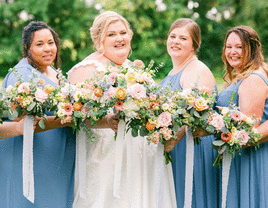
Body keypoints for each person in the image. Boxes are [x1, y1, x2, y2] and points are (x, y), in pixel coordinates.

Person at [68, 11, 177, 208]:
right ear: (98, 39)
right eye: (111, 34)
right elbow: (74, 116)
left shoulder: (137, 71)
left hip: (143, 158)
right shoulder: (84, 70)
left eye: (123, 32)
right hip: (105, 158)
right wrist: (105, 121)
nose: (119, 38)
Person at [0, 21, 76, 207]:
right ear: (27, 48)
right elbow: (23, 121)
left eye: (51, 42)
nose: (48, 49)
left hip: (58, 162)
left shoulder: (55, 73)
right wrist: (66, 121)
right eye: (39, 44)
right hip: (34, 160)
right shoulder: (22, 76)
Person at [161, 18, 219, 208]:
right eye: (173, 36)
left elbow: (197, 114)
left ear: (194, 45)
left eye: (183, 38)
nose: (176, 41)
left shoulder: (196, 70)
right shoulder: (172, 72)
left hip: (190, 147)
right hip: (174, 147)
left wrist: (172, 140)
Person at [216, 25, 268, 207]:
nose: (232, 52)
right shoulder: (244, 75)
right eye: (228, 47)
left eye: (239, 47)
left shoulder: (253, 79)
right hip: (240, 156)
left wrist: (226, 139)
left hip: (249, 159)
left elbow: (248, 131)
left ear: (252, 49)